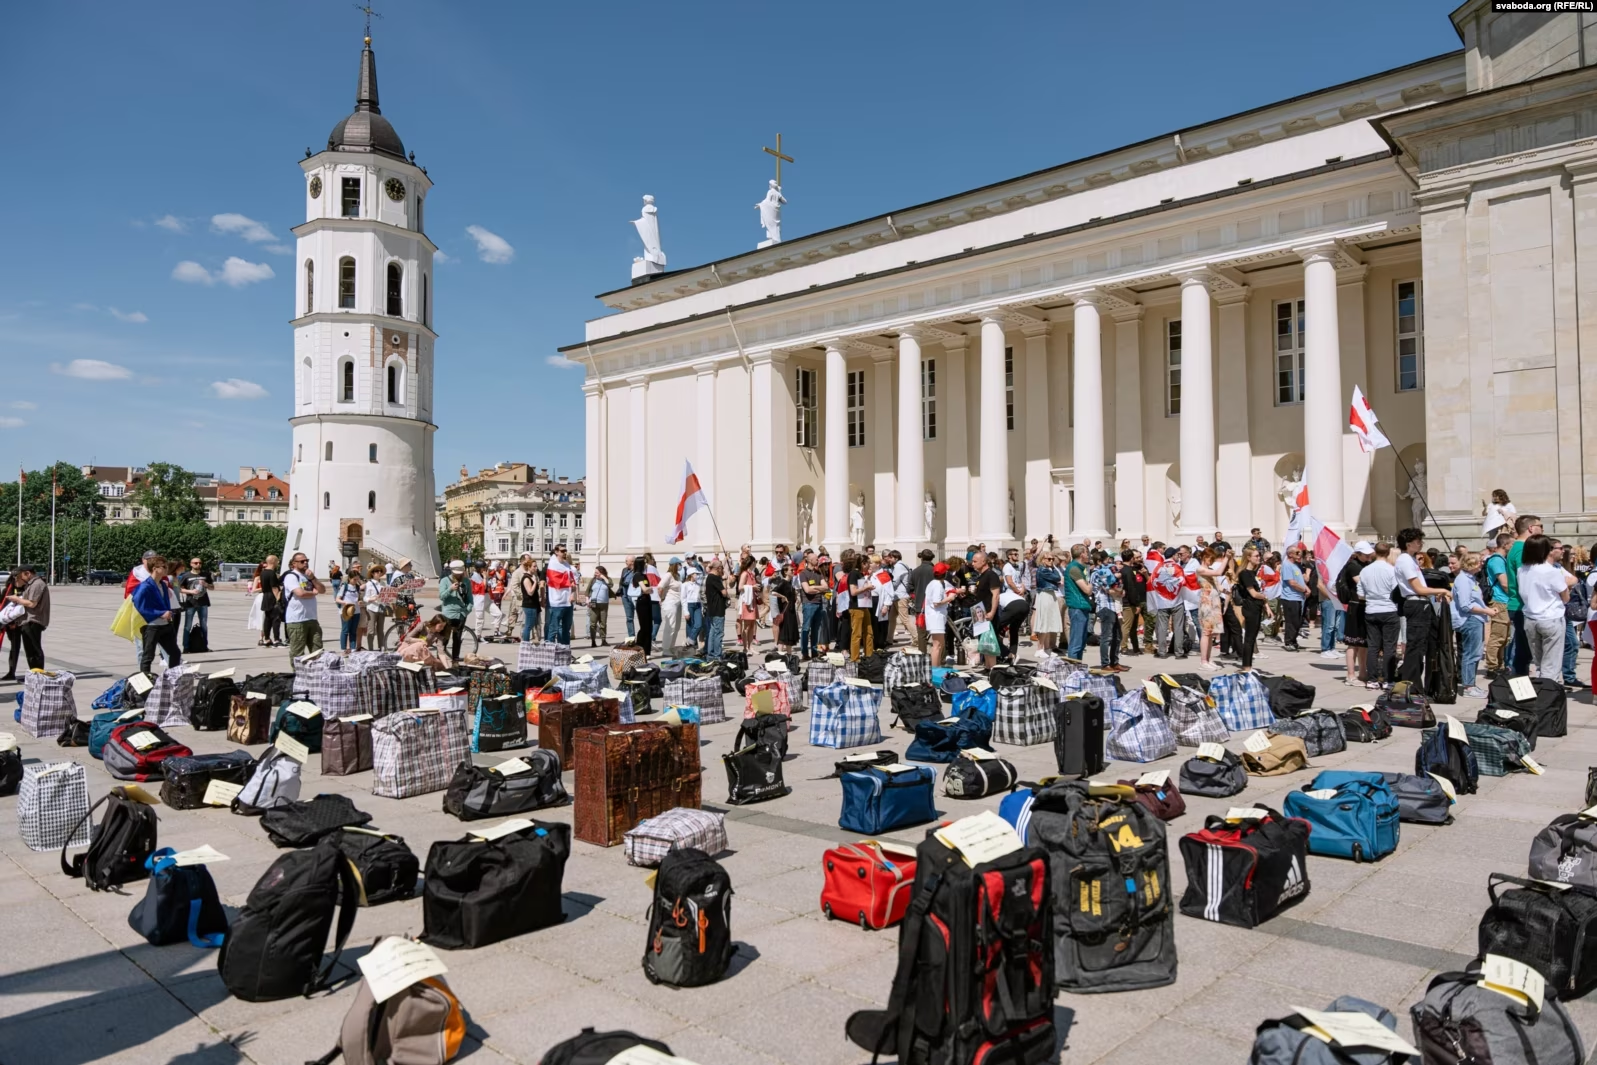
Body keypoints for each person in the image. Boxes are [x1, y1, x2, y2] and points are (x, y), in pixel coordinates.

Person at [1394, 527, 1451, 685]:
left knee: (1421, 645)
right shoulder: (1405, 560)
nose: (1421, 544)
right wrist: (1441, 590)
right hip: (1415, 602)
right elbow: (1418, 588)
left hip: (1420, 602)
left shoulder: (1410, 559)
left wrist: (1434, 592)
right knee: (1415, 646)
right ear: (1408, 544)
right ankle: (1411, 684)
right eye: (1418, 541)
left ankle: (1416, 682)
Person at [1518, 533, 1574, 681]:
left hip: (1530, 618)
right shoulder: (1551, 571)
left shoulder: (1522, 569)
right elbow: (1565, 597)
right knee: (1551, 665)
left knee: (1539, 663)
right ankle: (1549, 696)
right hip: (1551, 618)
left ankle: (1543, 692)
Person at [1452, 552, 1494, 698]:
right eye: (1479, 562)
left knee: (1475, 654)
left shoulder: (1470, 579)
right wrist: (1486, 610)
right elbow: (1465, 605)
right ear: (1471, 564)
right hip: (1469, 619)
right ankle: (1468, 687)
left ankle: (1471, 684)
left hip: (1476, 618)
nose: (1482, 564)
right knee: (1471, 654)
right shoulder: (1463, 580)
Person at [1506, 514, 1543, 678]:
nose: (1542, 529)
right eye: (1540, 526)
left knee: (1523, 652)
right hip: (1522, 606)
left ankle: (1520, 690)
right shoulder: (1522, 549)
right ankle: (1519, 691)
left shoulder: (1517, 547)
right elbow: (1526, 579)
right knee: (1523, 654)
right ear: (1531, 528)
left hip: (1519, 605)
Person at [1360, 542, 1401, 689]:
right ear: (1389, 553)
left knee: (1373, 646)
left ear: (1374, 552)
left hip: (1371, 609)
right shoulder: (1392, 570)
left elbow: (1360, 593)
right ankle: (1388, 680)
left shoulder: (1365, 571)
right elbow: (1396, 592)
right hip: (1389, 609)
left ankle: (1372, 679)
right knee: (1389, 646)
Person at [131, 556, 180, 675]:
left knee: (175, 653)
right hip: (151, 626)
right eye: (164, 567)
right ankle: (145, 683)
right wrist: (160, 613)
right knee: (148, 656)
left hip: (165, 625)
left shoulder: (163, 584)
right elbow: (139, 605)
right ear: (154, 569)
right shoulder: (145, 586)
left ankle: (172, 678)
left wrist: (168, 613)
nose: (166, 569)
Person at [1337, 542, 1374, 685]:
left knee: (1363, 642)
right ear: (1358, 554)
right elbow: (1361, 583)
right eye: (1365, 554)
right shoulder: (1353, 566)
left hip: (1364, 606)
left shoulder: (1366, 565)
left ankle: (1363, 672)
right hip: (1355, 606)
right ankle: (1350, 675)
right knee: (1352, 642)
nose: (1368, 556)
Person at [281, 552, 326, 663]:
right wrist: (313, 593)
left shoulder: (308, 576)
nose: (305, 563)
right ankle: (296, 675)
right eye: (302, 561)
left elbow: (323, 590)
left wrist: (313, 578)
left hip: (312, 618)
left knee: (318, 651)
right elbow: (300, 593)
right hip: (297, 620)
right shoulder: (291, 576)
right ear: (294, 563)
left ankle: (316, 674)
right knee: (297, 652)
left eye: (307, 560)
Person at [1234, 547, 1267, 670]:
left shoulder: (1253, 573)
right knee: (1249, 637)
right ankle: (1246, 666)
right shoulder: (1245, 574)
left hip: (1257, 606)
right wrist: (1265, 596)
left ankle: (1248, 665)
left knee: (1252, 637)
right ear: (1248, 558)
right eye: (1256, 556)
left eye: (1259, 556)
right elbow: (1253, 593)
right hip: (1250, 607)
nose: (1259, 558)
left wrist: (1265, 604)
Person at [1195, 547, 1227, 671]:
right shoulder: (1200, 569)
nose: (1211, 561)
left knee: (1211, 633)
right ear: (1204, 557)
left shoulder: (1209, 569)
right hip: (1206, 603)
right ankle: (1203, 661)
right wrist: (1226, 559)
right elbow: (1218, 573)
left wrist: (1227, 590)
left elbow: (1218, 585)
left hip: (1214, 602)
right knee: (1206, 632)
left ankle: (1207, 659)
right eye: (1210, 558)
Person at [1090, 551, 1124, 670]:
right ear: (1099, 561)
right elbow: (1107, 586)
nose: (1109, 563)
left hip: (1113, 606)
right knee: (1106, 637)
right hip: (1104, 606)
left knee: (1117, 636)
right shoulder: (1096, 573)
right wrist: (1117, 577)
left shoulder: (1105, 571)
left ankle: (1115, 662)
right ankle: (1105, 664)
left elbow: (1116, 587)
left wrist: (1119, 590)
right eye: (1107, 560)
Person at [1063, 545, 1094, 660]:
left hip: (1081, 606)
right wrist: (1090, 585)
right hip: (1077, 607)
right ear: (1082, 555)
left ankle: (1078, 668)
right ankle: (1072, 670)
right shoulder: (1074, 569)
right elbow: (1087, 590)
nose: (1088, 555)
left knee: (1081, 642)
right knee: (1076, 642)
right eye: (1087, 553)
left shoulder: (1079, 568)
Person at [923, 562, 957, 666]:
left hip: (935, 616)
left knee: (939, 644)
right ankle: (934, 669)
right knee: (937, 645)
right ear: (945, 573)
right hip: (936, 617)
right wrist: (949, 598)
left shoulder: (932, 583)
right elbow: (936, 602)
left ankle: (936, 667)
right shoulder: (937, 585)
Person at [438, 560, 470, 662]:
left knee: (457, 639)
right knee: (444, 639)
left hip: (461, 614)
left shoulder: (466, 581)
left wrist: (467, 610)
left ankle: (455, 660)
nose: (459, 575)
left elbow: (470, 597)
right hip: (448, 614)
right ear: (452, 571)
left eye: (461, 573)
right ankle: (440, 660)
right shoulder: (444, 581)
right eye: (457, 573)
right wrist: (450, 589)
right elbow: (442, 596)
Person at [845, 551, 875, 661]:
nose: (869, 565)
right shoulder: (853, 574)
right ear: (863, 563)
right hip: (856, 607)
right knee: (857, 634)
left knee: (869, 633)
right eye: (868, 563)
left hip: (864, 606)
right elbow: (853, 592)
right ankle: (855, 659)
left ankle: (869, 656)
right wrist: (866, 588)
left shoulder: (861, 574)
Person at [1278, 545, 1309, 652]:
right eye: (1297, 553)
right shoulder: (1287, 565)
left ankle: (1294, 641)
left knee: (1297, 621)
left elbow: (1299, 580)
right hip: (1290, 598)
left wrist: (1306, 588)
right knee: (1291, 621)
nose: (1299, 555)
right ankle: (1289, 642)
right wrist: (1304, 590)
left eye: (1300, 553)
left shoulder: (1296, 566)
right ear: (1290, 554)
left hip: (1298, 598)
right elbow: (1292, 583)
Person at [544, 546, 576, 645]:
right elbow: (555, 581)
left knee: (566, 629)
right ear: (556, 552)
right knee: (553, 629)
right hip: (557, 602)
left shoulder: (566, 565)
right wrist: (568, 580)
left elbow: (573, 582)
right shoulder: (552, 564)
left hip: (568, 602)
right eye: (562, 551)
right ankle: (550, 651)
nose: (564, 553)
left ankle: (565, 650)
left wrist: (573, 594)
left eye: (565, 550)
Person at [1032, 551, 1064, 653]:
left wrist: (1053, 568)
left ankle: (1047, 649)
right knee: (1044, 622)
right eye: (1049, 559)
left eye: (1052, 559)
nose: (1051, 561)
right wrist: (1055, 574)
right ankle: (1039, 649)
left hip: (1050, 594)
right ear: (1042, 560)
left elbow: (1057, 578)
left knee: (1049, 622)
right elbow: (1057, 578)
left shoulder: (1049, 569)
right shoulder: (1042, 570)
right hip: (1045, 595)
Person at [177, 557, 212, 649]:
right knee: (187, 626)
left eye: (200, 563)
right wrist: (191, 592)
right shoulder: (186, 575)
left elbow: (212, 587)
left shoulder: (205, 574)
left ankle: (204, 646)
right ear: (191, 564)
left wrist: (206, 584)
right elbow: (179, 589)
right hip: (190, 603)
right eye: (195, 563)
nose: (198, 564)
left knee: (204, 625)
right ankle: (186, 647)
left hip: (203, 603)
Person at [798, 557, 827, 660]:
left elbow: (826, 587)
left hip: (819, 603)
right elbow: (807, 590)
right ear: (810, 560)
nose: (817, 560)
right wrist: (819, 588)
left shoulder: (819, 573)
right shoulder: (803, 574)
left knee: (816, 629)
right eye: (816, 559)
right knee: (806, 628)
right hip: (809, 603)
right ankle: (805, 653)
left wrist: (815, 587)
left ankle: (814, 652)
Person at [1119, 550, 1147, 655]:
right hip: (1129, 602)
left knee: (1133, 626)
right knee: (1127, 626)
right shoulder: (1128, 571)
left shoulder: (1123, 570)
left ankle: (1135, 647)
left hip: (1128, 601)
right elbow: (1131, 588)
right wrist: (1136, 603)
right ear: (1131, 558)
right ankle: (1124, 646)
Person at [656, 559, 684, 654]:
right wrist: (662, 598)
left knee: (677, 626)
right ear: (675, 565)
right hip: (670, 602)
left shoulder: (678, 576)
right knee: (670, 625)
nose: (680, 566)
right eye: (679, 564)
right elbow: (660, 587)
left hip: (678, 602)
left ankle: (671, 646)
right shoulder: (668, 575)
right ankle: (666, 648)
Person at [771, 563, 800, 653]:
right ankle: (780, 653)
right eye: (791, 570)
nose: (793, 571)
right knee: (784, 632)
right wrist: (782, 597)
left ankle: (789, 654)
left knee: (790, 632)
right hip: (785, 610)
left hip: (791, 610)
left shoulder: (790, 583)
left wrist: (796, 598)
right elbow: (773, 592)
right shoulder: (783, 582)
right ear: (785, 572)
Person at [631, 556, 656, 654]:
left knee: (649, 627)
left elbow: (647, 589)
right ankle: (639, 647)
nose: (646, 565)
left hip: (647, 601)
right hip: (641, 602)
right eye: (645, 563)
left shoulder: (644, 575)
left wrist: (648, 589)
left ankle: (647, 651)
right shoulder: (637, 575)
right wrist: (649, 589)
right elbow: (645, 589)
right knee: (644, 627)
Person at [259, 554, 285, 647]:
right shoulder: (271, 573)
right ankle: (277, 640)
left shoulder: (263, 572)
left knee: (267, 619)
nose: (278, 563)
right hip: (272, 597)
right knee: (276, 619)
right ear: (273, 561)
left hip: (265, 596)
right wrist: (278, 599)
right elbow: (274, 587)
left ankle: (266, 639)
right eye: (277, 561)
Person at [703, 559, 727, 658]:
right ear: (718, 568)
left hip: (712, 609)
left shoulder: (709, 577)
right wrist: (724, 580)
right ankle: (717, 654)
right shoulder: (715, 578)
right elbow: (724, 593)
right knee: (718, 633)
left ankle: (711, 653)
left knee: (713, 631)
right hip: (718, 609)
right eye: (721, 568)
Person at [337, 561, 363, 653]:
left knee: (353, 630)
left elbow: (359, 598)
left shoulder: (357, 587)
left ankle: (352, 648)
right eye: (354, 580)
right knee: (345, 630)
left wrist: (360, 602)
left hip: (356, 611)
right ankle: (343, 648)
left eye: (357, 579)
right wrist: (344, 602)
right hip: (346, 611)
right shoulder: (345, 587)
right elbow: (337, 599)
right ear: (350, 579)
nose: (356, 581)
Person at [517, 554, 542, 642]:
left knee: (530, 625)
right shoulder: (526, 578)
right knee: (528, 625)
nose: (536, 568)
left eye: (536, 566)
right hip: (529, 605)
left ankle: (525, 642)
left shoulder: (531, 576)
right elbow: (530, 592)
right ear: (529, 567)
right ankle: (525, 643)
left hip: (533, 605)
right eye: (534, 566)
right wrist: (535, 582)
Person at [362, 565, 388, 650]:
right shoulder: (369, 584)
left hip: (381, 608)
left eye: (380, 571)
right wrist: (372, 599)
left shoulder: (383, 583)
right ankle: (371, 649)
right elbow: (365, 598)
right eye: (377, 571)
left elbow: (387, 595)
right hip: (372, 608)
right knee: (371, 630)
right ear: (372, 573)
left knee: (381, 630)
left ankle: (381, 647)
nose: (379, 573)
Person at [586, 566, 612, 647]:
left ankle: (603, 640)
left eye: (597, 572)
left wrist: (604, 577)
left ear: (602, 573)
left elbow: (610, 585)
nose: (595, 574)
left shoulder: (607, 579)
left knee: (603, 623)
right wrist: (587, 600)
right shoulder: (593, 580)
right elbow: (587, 591)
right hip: (593, 603)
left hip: (604, 604)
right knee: (593, 623)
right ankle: (593, 641)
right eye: (595, 572)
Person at [680, 567, 702, 649]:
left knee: (698, 624)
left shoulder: (698, 585)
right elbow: (683, 598)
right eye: (696, 574)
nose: (697, 576)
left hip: (698, 605)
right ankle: (693, 646)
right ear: (691, 575)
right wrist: (686, 611)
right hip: (689, 605)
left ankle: (689, 640)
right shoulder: (685, 585)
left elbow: (700, 597)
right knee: (690, 625)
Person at [619, 556, 637, 639]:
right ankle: (631, 637)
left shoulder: (637, 570)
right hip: (625, 596)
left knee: (641, 617)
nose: (626, 562)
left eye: (627, 561)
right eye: (626, 561)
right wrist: (620, 590)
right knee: (629, 618)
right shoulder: (624, 570)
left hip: (635, 596)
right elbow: (621, 581)